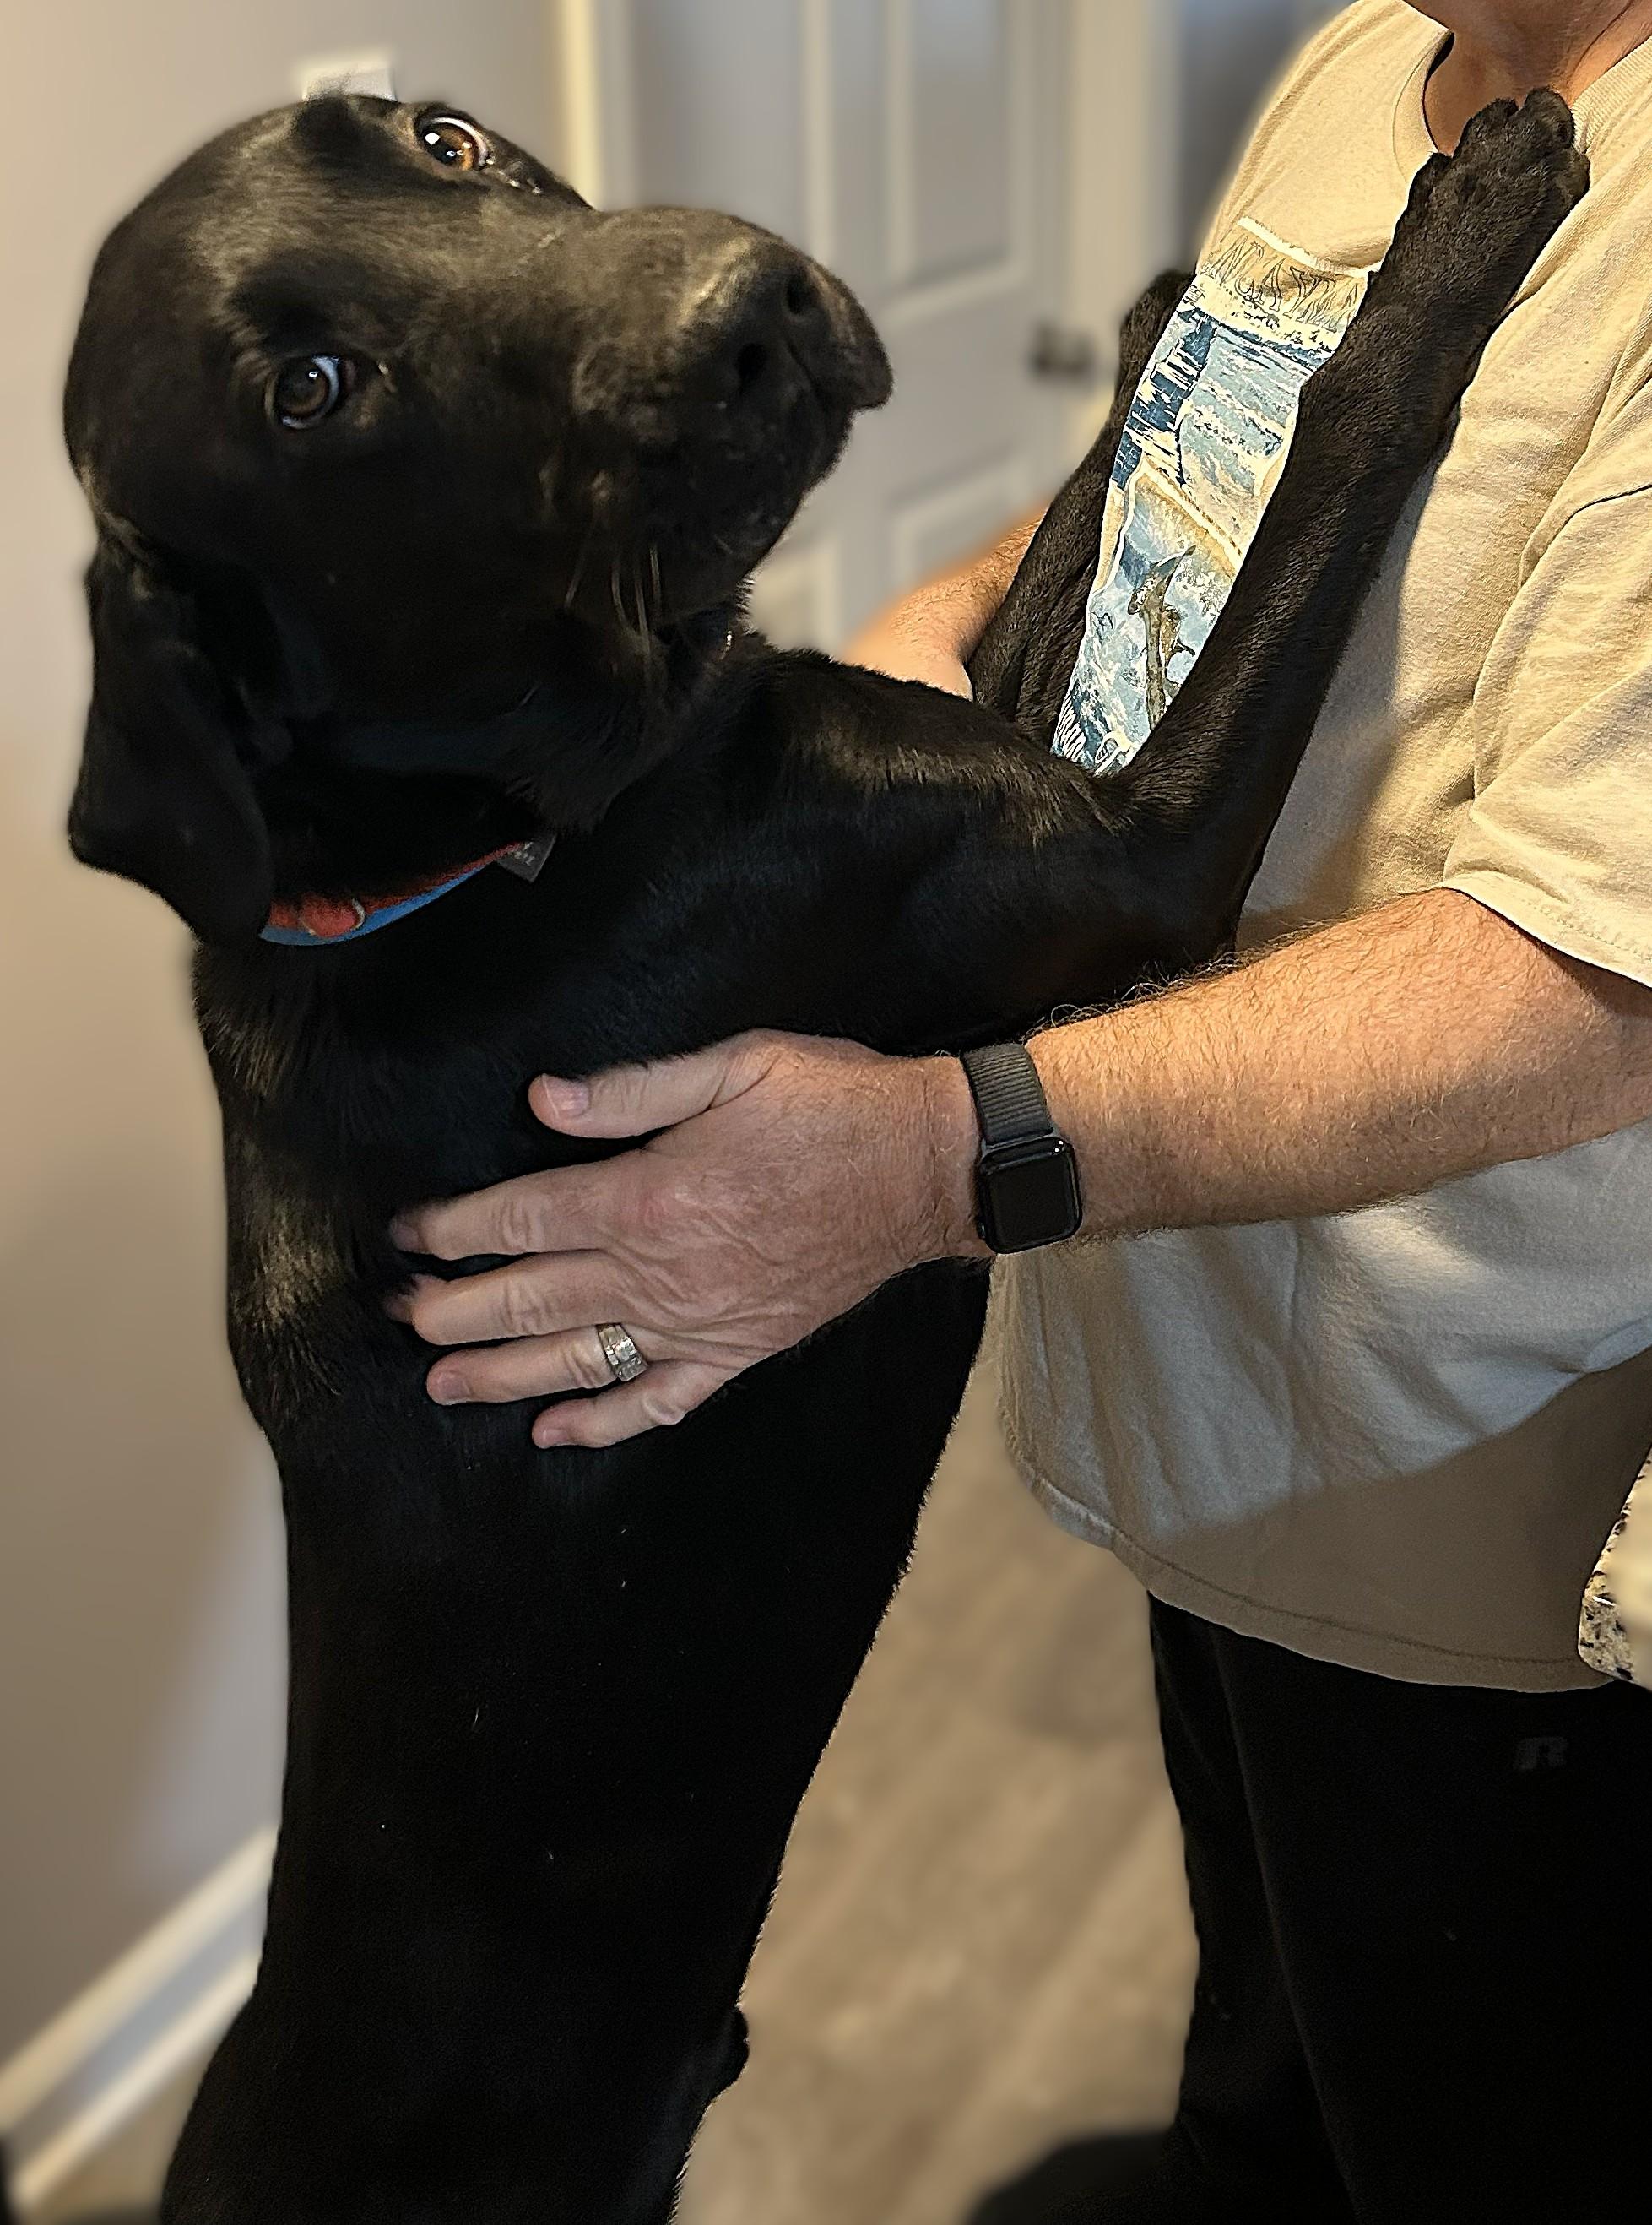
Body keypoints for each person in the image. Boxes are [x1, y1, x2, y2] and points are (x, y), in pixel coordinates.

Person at [387, 5, 1652, 2215]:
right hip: (1204, 1389)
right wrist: (948, 620)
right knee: (1263, 2051)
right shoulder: (1370, 58)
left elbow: (1592, 982)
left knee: (1468, 2111)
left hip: (1460, 1503)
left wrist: (920, 1160)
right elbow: (1179, 480)